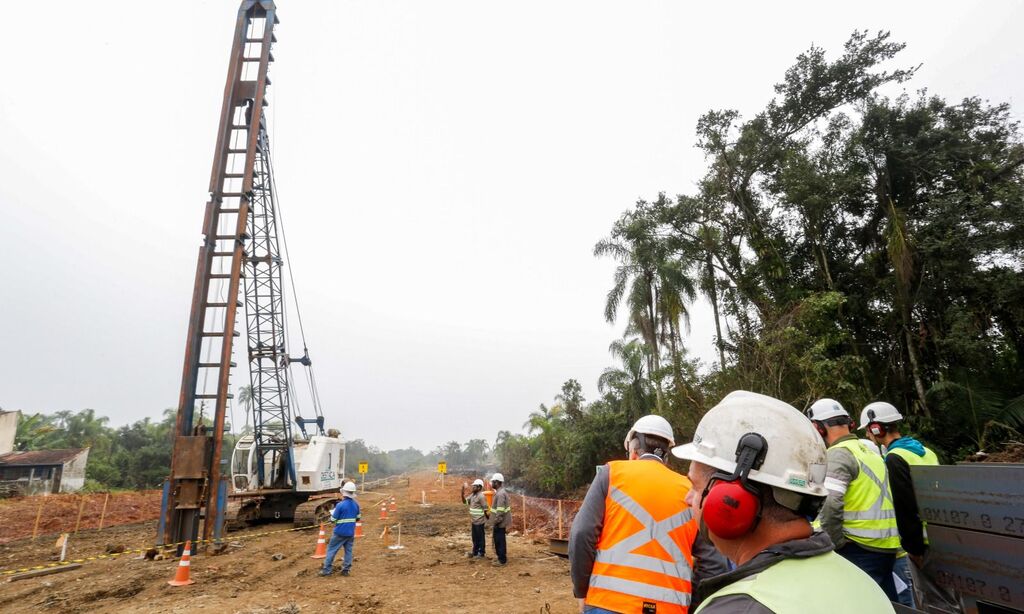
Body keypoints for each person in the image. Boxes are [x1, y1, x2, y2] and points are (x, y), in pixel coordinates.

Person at [672, 391, 895, 613]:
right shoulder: (865, 585)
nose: (688, 498)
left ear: (731, 500)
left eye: (695, 486)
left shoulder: (740, 608)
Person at [569, 415, 728, 613]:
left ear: (633, 449)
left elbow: (581, 534)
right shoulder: (690, 490)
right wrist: (691, 606)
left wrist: (581, 591)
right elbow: (714, 562)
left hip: (608, 603)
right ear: (667, 454)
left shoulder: (612, 474)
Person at [807, 398, 901, 601]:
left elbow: (831, 504)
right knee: (888, 604)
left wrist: (834, 543)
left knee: (860, 604)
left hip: (859, 548)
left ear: (818, 428)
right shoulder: (869, 450)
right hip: (886, 545)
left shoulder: (838, 454)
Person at [859, 401, 941, 609]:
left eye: (868, 431)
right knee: (950, 596)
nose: (868, 435)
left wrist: (913, 549)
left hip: (921, 544)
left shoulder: (894, 458)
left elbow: (905, 507)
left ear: (875, 428)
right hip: (943, 535)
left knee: (932, 600)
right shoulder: (926, 451)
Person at [319, 481, 360, 577]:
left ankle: (326, 571)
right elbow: (358, 518)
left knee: (331, 550)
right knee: (348, 551)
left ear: (344, 492)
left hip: (339, 533)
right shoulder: (356, 505)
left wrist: (332, 517)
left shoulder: (340, 505)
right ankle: (346, 570)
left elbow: (333, 519)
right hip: (350, 532)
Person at [462, 478, 490, 559]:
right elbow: (464, 502)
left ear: (479, 487)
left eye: (474, 486)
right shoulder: (473, 495)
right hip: (474, 521)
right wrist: (462, 492)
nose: (473, 487)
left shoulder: (481, 496)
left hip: (480, 521)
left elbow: (486, 509)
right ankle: (475, 552)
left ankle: (481, 553)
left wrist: (488, 519)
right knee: (474, 537)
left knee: (480, 537)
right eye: (473, 486)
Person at [489, 472, 511, 566]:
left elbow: (500, 510)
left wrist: (497, 521)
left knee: (500, 541)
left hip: (500, 522)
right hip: (499, 522)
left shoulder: (500, 494)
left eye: (493, 482)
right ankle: (500, 558)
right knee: (499, 540)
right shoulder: (500, 492)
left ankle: (502, 560)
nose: (492, 483)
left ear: (497, 482)